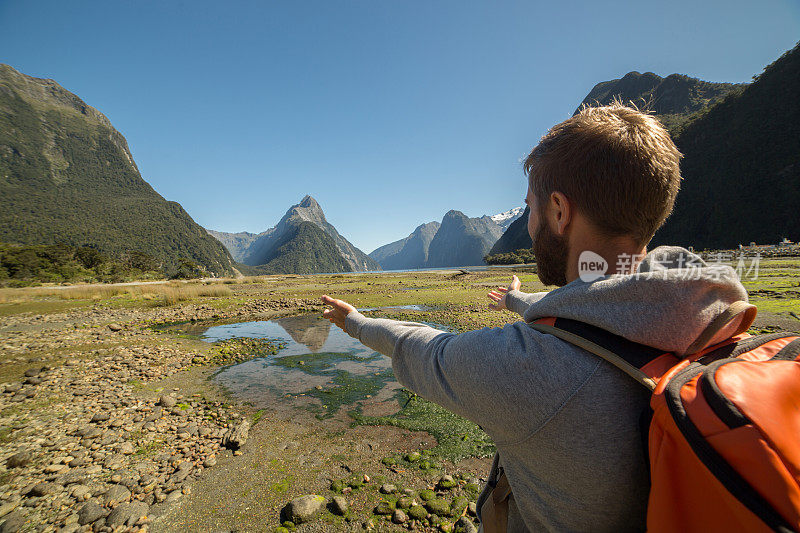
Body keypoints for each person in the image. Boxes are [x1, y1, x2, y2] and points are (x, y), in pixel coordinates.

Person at [321, 103, 749, 532]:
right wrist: (518, 301)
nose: (529, 224)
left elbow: (424, 351)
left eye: (531, 208)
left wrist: (355, 322)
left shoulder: (529, 368)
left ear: (560, 212)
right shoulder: (710, 314)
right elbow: (595, 305)